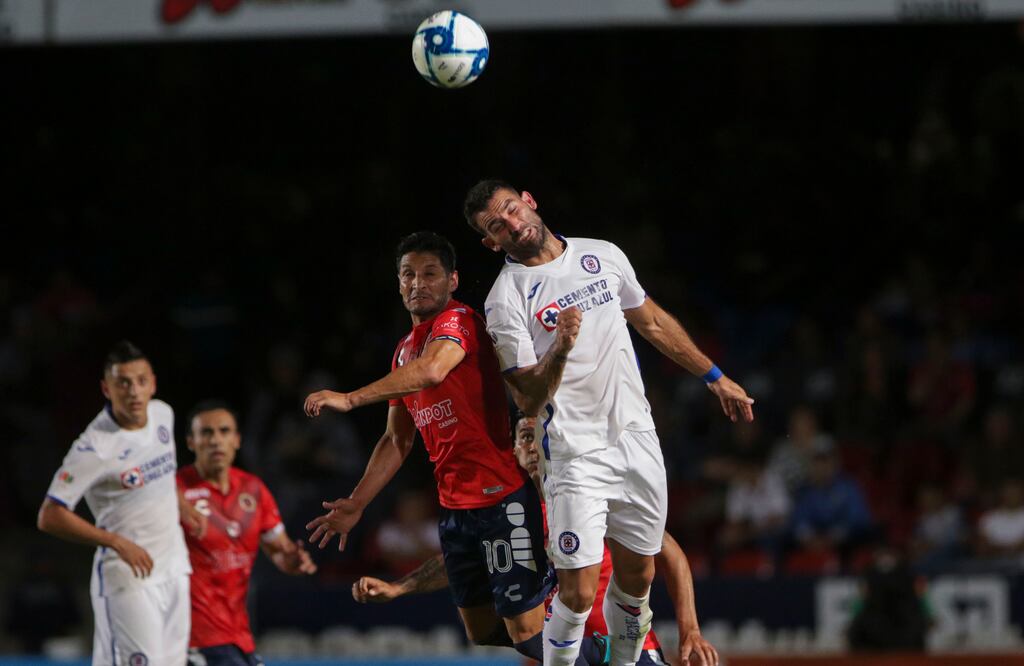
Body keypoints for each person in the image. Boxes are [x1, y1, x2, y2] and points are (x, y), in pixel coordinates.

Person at [463, 180, 753, 665]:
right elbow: (527, 396)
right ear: (491, 242)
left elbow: (652, 321)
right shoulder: (505, 297)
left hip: (636, 439)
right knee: (578, 592)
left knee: (638, 579)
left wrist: (715, 377)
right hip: (574, 451)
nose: (512, 224)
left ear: (530, 201)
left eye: (511, 209)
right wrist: (559, 347)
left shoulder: (603, 254)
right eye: (497, 225)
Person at [302, 232, 558, 663]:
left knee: (529, 636)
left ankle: (606, 648)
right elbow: (396, 439)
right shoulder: (404, 352)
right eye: (408, 275)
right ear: (398, 283)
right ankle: (574, 632)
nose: (417, 283)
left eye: (429, 274)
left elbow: (434, 370)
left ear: (452, 280)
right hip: (455, 507)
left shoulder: (461, 322)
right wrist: (357, 503)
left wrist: (350, 399)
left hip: (502, 498)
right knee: (481, 631)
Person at [353, 414, 721, 666]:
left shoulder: (592, 493)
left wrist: (690, 630)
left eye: (539, 436)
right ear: (512, 450)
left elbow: (670, 553)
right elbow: (461, 565)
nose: (532, 447)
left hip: (625, 649)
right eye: (524, 437)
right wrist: (399, 588)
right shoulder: (506, 514)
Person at [37, 340, 204, 666]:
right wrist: (116, 542)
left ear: (153, 383)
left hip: (174, 565)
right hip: (128, 578)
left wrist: (182, 505)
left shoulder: (162, 414)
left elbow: (161, 470)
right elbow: (50, 515)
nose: (133, 391)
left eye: (141, 381)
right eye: (123, 383)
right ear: (107, 388)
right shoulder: (94, 447)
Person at [178, 400, 316, 666]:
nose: (215, 440)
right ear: (191, 442)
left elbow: (279, 550)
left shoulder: (253, 490)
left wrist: (291, 560)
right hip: (193, 637)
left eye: (224, 431)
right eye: (206, 433)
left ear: (237, 440)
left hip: (239, 636)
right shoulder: (176, 492)